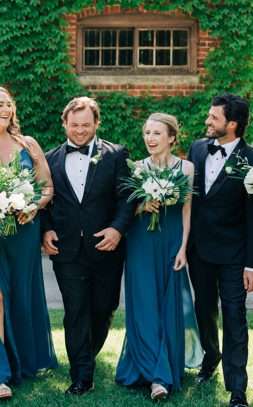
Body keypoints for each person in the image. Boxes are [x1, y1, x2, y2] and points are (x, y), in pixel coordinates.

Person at [0, 85, 57, 400]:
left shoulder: (27, 144)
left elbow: (46, 187)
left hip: (24, 233)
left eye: (9, 104)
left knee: (20, 296)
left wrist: (34, 206)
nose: (6, 110)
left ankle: (20, 361)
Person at [39, 97, 132, 397]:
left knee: (104, 308)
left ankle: (87, 355)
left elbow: (127, 198)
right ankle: (81, 375)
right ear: (64, 123)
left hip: (106, 247)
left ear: (96, 124)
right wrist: (46, 230)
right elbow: (41, 202)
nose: (80, 131)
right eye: (74, 125)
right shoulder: (50, 159)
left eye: (86, 125)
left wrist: (118, 229)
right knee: (75, 310)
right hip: (67, 250)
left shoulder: (117, 155)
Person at [115, 113, 202, 400]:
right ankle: (154, 375)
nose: (150, 139)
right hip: (141, 241)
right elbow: (127, 211)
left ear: (172, 138)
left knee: (169, 304)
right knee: (145, 305)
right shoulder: (137, 168)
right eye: (147, 133)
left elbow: (187, 211)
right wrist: (143, 205)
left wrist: (183, 248)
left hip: (171, 240)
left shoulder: (187, 167)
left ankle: (163, 372)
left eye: (157, 134)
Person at [186, 93, 253, 407]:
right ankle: (210, 359)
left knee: (235, 316)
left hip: (234, 254)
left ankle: (237, 388)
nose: (207, 121)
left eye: (214, 117)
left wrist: (250, 264)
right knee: (204, 310)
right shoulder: (198, 148)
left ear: (232, 124)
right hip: (198, 249)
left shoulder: (251, 161)